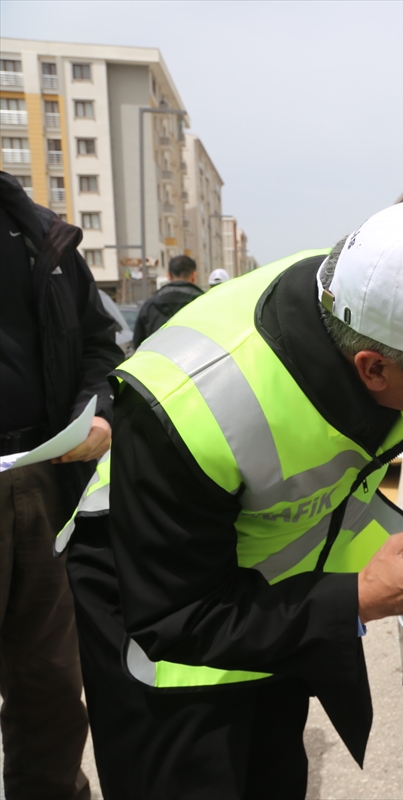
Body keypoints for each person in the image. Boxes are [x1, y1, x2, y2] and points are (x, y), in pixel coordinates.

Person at [57, 200, 403, 798]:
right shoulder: (195, 404)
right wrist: (358, 598)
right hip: (162, 616)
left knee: (274, 774)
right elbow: (179, 618)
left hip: (279, 606)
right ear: (373, 369)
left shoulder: (371, 307)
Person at [0, 171, 124, 799]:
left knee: (48, 678)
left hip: (40, 480)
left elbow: (102, 346)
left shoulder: (40, 235)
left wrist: (98, 409)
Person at [131, 254, 204, 347]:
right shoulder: (204, 303)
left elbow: (138, 343)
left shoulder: (151, 305)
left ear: (168, 275)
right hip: (198, 360)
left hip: (159, 360)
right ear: (193, 275)